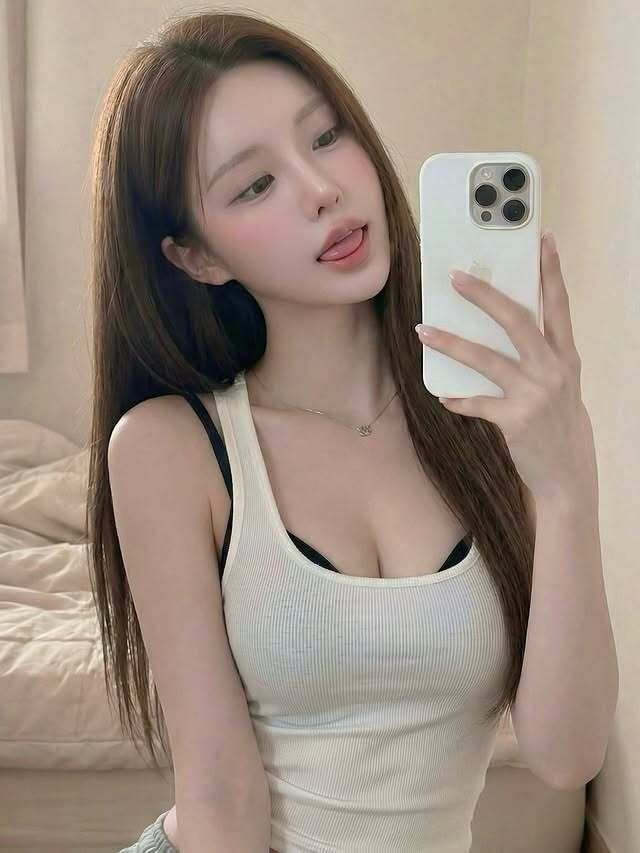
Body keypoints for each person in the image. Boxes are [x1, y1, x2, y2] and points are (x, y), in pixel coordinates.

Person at [85, 10, 535, 852]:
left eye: (326, 136)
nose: (321, 188)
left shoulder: (488, 415)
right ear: (197, 256)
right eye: (255, 185)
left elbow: (568, 749)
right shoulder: (168, 447)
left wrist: (568, 471)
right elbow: (220, 799)